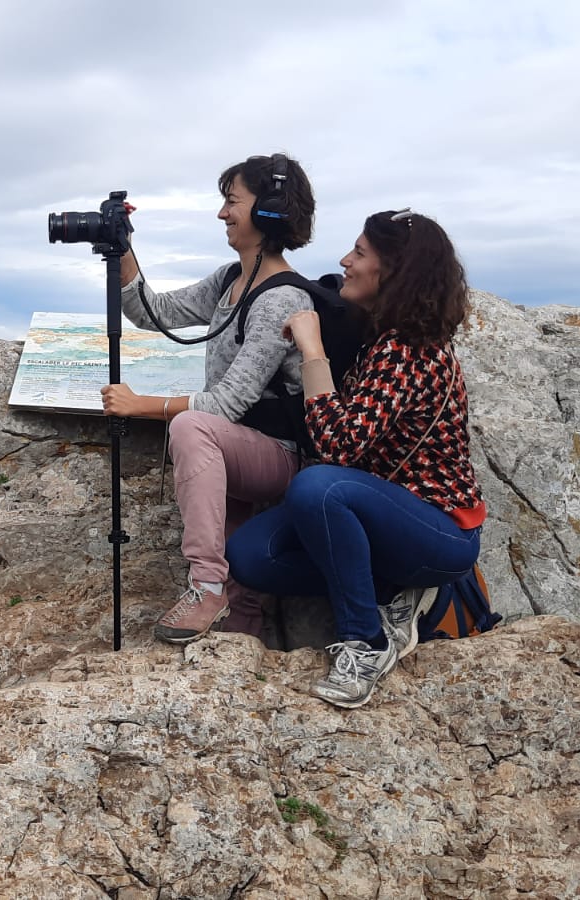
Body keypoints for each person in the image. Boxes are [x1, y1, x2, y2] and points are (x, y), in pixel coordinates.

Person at [225, 209, 485, 708]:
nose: (345, 261)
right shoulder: (379, 343)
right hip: (386, 529)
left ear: (394, 271)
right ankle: (391, 591)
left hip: (440, 533)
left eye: (360, 254)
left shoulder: (410, 351)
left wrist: (312, 348)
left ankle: (366, 643)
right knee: (252, 555)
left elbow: (338, 447)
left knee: (319, 485)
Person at [102, 153, 317, 643]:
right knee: (239, 560)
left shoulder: (282, 299)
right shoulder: (228, 279)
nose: (223, 213)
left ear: (269, 211)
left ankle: (205, 584)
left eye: (232, 201)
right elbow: (150, 312)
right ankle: (240, 639)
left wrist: (142, 405)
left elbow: (225, 406)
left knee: (191, 425)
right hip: (237, 449)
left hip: (277, 455)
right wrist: (124, 247)